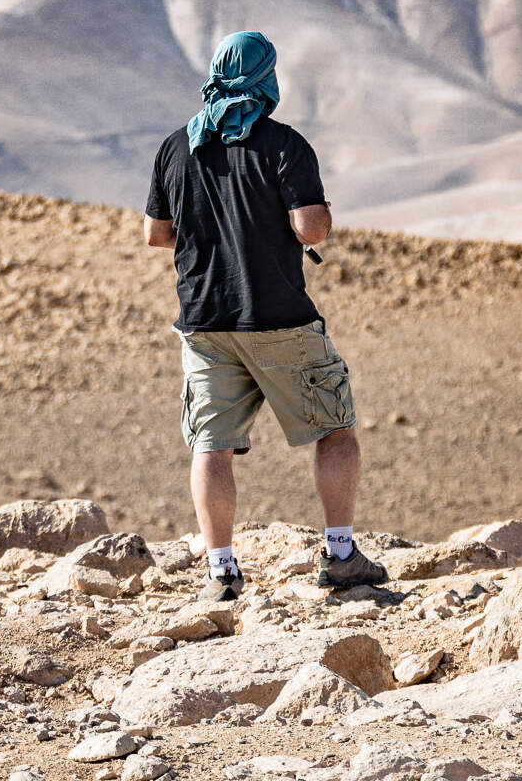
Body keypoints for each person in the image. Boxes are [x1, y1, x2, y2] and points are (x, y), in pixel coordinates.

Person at [142, 30, 386, 601]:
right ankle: (342, 557)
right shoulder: (283, 145)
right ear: (266, 78)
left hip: (203, 320)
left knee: (212, 444)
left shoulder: (177, 146)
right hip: (277, 316)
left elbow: (155, 234)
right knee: (336, 428)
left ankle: (221, 571)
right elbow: (310, 229)